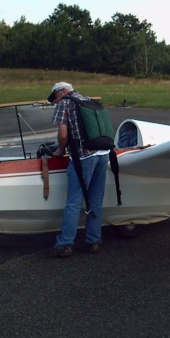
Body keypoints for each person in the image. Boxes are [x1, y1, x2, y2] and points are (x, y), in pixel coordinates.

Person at [48, 82, 110, 257]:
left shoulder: (65, 103)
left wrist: (60, 150)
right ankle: (94, 242)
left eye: (54, 96)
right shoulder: (89, 100)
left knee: (74, 201)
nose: (55, 100)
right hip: (103, 153)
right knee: (95, 199)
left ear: (63, 91)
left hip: (83, 157)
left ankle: (65, 244)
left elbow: (63, 134)